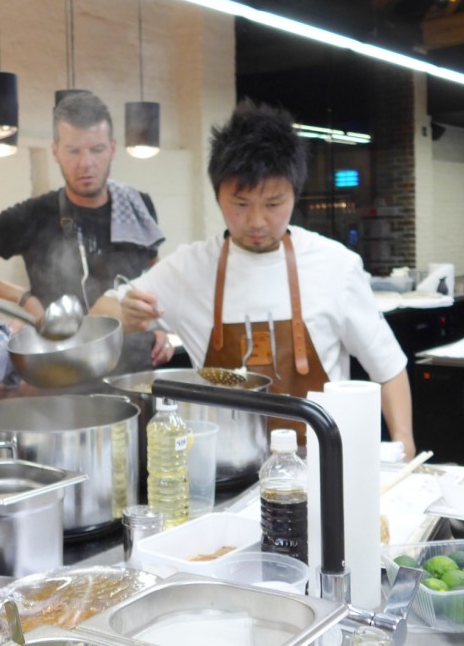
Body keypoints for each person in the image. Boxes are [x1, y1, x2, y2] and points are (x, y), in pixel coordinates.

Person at [92, 100, 416, 458]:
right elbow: (100, 312)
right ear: (217, 196)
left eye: (274, 204)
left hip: (320, 470)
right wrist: (125, 312)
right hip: (223, 472)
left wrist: (405, 447)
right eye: (241, 204)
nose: (257, 221)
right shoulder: (189, 268)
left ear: (295, 194)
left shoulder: (335, 266)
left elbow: (388, 369)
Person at [0, 91, 173, 370]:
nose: (86, 163)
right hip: (62, 375)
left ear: (112, 149)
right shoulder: (31, 215)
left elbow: (153, 270)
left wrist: (156, 324)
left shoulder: (138, 207)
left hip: (136, 370)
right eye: (73, 150)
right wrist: (24, 298)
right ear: (55, 151)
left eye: (97, 150)